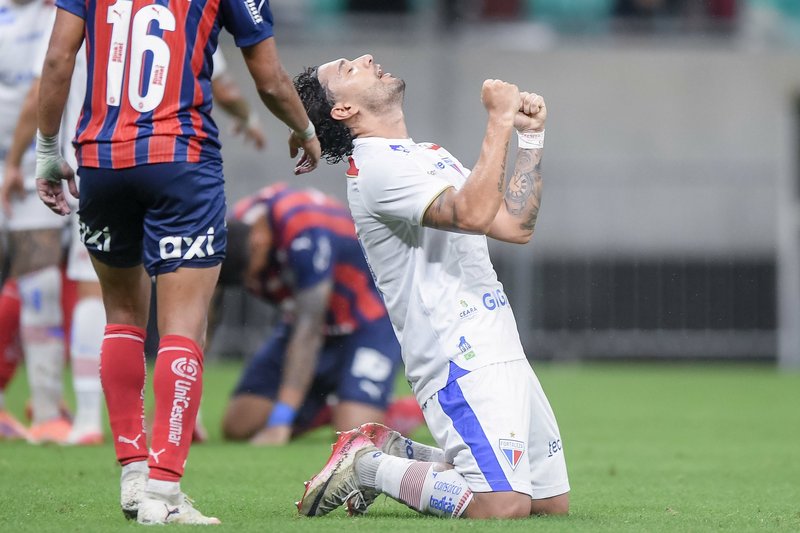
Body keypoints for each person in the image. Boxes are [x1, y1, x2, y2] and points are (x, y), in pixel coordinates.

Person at [35, 0, 320, 526]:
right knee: (183, 326)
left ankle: (133, 475)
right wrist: (304, 129)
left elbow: (57, 59)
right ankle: (163, 492)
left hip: (101, 158)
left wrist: (48, 150)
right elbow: (269, 77)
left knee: (121, 316)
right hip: (180, 161)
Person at [292, 55, 569, 519]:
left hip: (497, 337)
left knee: (547, 503)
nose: (366, 59)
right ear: (342, 110)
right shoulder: (376, 167)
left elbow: (515, 226)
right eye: (348, 68)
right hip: (455, 352)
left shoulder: (428, 155)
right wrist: (498, 118)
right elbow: (473, 216)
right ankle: (369, 466)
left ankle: (400, 454)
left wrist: (531, 136)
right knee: (501, 505)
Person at [1, 45, 267, 446]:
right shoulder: (185, 10)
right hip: (176, 164)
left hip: (96, 162)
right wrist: (249, 118)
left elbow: (50, 75)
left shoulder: (89, 11)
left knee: (101, 295)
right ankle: (176, 416)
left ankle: (85, 418)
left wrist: (23, 158)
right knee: (187, 293)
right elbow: (226, 86)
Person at [217, 183, 420, 445]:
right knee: (238, 425)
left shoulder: (304, 231)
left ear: (259, 241)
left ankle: (400, 409)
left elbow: (309, 329)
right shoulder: (233, 230)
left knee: (354, 433)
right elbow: (208, 305)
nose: (253, 282)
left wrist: (281, 420)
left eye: (250, 274)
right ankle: (327, 405)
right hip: (307, 319)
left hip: (366, 321)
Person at [0, 0, 70, 443]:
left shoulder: (60, 13)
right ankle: (45, 413)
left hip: (28, 163)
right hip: (17, 161)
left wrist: (14, 162)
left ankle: (46, 411)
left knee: (40, 280)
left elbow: (44, 83)